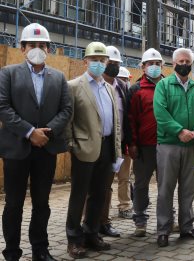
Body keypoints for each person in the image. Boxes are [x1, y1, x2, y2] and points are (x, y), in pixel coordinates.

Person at [0, 23, 72, 261]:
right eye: (33, 45)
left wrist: (46, 133)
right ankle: (11, 252)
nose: (37, 49)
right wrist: (30, 132)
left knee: (42, 203)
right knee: (13, 204)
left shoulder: (59, 78)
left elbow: (66, 109)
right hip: (16, 149)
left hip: (46, 149)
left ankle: (40, 249)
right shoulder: (8, 73)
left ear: (48, 49)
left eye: (42, 45)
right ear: (22, 48)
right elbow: (3, 107)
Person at [65, 42, 122, 258]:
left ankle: (91, 234)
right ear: (85, 61)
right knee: (79, 195)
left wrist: (116, 151)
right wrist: (72, 145)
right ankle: (74, 239)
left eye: (102, 60)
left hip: (106, 147)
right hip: (84, 148)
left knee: (99, 194)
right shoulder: (73, 86)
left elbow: (115, 122)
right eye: (94, 60)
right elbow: (68, 122)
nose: (99, 63)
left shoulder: (109, 88)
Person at [153, 48, 194, 247]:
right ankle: (163, 230)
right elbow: (160, 112)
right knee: (165, 189)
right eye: (180, 61)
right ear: (173, 63)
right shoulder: (163, 86)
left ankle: (186, 227)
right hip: (169, 144)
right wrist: (179, 131)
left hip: (192, 145)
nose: (184, 64)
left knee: (188, 189)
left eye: (187, 61)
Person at [128, 48, 165, 237]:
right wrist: (132, 143)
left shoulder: (169, 86)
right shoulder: (136, 89)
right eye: (150, 64)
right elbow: (131, 118)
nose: (154, 67)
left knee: (165, 185)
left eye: (158, 63)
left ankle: (166, 219)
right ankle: (140, 220)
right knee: (141, 184)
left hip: (166, 145)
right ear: (143, 67)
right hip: (144, 147)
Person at [96, 46, 132, 238]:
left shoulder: (122, 87)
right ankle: (90, 224)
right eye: (111, 63)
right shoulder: (93, 84)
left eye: (117, 64)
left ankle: (104, 222)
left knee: (108, 184)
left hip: (116, 144)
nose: (114, 67)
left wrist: (128, 142)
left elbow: (127, 117)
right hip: (96, 144)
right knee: (94, 187)